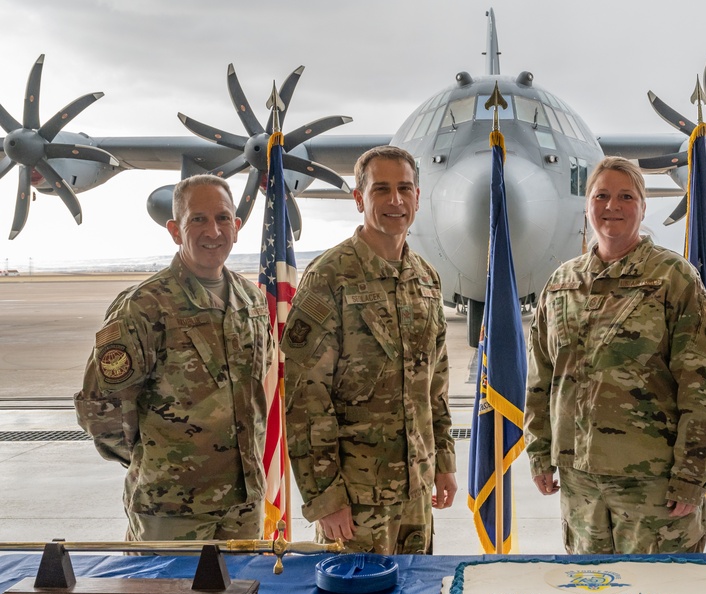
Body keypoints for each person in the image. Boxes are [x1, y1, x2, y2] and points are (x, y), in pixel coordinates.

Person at [524, 156, 706, 554]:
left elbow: (701, 387)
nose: (611, 206)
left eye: (625, 196)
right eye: (601, 196)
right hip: (581, 485)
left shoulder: (673, 278)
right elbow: (541, 378)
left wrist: (692, 475)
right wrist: (538, 451)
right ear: (587, 205)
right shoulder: (562, 284)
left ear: (643, 207)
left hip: (654, 486)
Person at [74, 174, 272, 541]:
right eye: (197, 219)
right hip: (171, 510)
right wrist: (158, 460)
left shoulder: (252, 301)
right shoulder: (144, 306)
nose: (212, 230)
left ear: (237, 225)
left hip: (244, 505)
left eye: (222, 218)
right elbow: (99, 411)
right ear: (175, 230)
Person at [282, 145, 456, 555]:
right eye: (381, 189)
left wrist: (444, 463)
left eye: (404, 189)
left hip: (417, 493)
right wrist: (326, 498)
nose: (395, 200)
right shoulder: (328, 278)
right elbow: (306, 399)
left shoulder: (426, 280)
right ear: (359, 198)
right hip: (355, 502)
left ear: (417, 196)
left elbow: (437, 385)